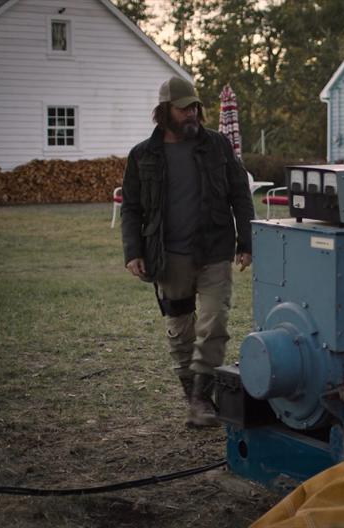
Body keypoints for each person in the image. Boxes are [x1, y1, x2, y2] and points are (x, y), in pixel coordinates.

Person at [121, 76, 254, 428]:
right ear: (165, 111)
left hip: (214, 251)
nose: (192, 113)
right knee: (180, 331)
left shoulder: (218, 146)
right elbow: (131, 207)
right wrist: (133, 251)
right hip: (168, 257)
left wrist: (247, 241)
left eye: (195, 106)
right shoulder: (142, 155)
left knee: (214, 324)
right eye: (184, 109)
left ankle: (200, 399)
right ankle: (192, 395)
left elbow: (240, 193)